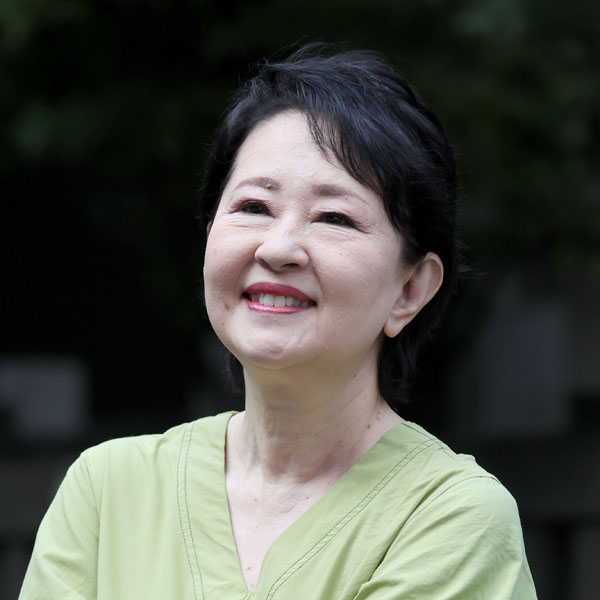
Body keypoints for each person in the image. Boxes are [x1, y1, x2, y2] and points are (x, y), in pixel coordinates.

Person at [20, 45, 537, 599]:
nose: (279, 247)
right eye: (253, 208)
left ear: (410, 290)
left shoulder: (450, 515)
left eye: (334, 217)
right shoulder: (108, 490)